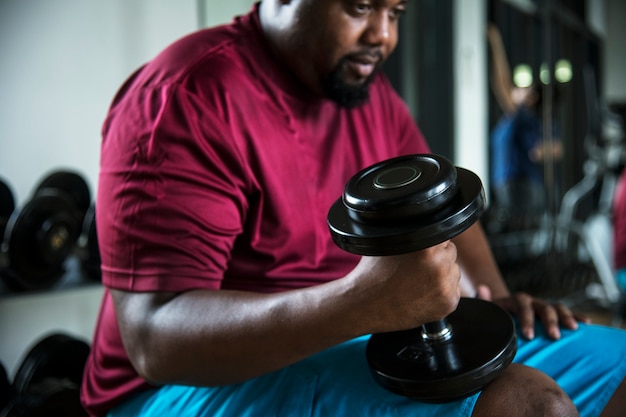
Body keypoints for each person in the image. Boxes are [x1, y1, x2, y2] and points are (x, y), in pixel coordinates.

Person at [81, 1, 626, 416]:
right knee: (528, 403)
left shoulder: (366, 92)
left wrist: (494, 307)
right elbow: (155, 341)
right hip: (169, 391)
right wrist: (359, 305)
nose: (383, 37)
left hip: (358, 334)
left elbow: (443, 213)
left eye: (394, 12)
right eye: (360, 7)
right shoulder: (186, 95)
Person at [486, 23, 562, 226]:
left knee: (521, 247)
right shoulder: (521, 118)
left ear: (531, 98)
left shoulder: (523, 117)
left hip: (521, 188)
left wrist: (495, 41)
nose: (516, 89)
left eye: (523, 89)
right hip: (516, 187)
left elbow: (500, 83)